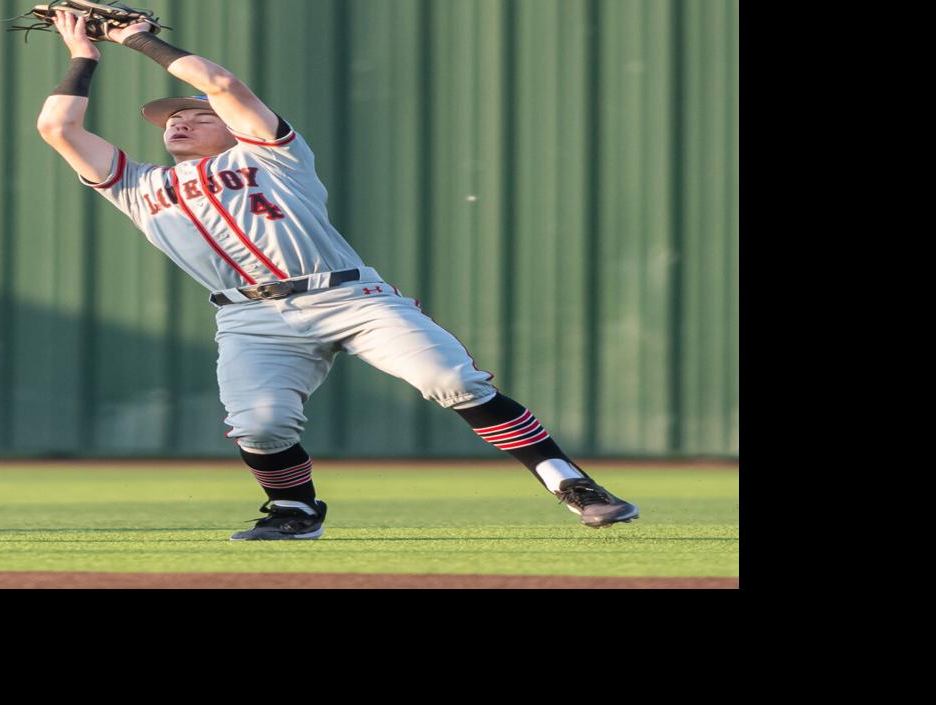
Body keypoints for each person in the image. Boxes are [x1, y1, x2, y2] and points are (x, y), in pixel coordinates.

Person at [35, 12, 638, 540]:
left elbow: (219, 84)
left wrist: (139, 41)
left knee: (452, 380)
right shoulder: (140, 188)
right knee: (260, 425)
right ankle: (293, 507)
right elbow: (58, 129)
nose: (177, 123)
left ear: (230, 124)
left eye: (194, 115)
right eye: (169, 120)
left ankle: (572, 485)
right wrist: (83, 56)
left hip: (351, 294)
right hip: (249, 316)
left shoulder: (271, 154)